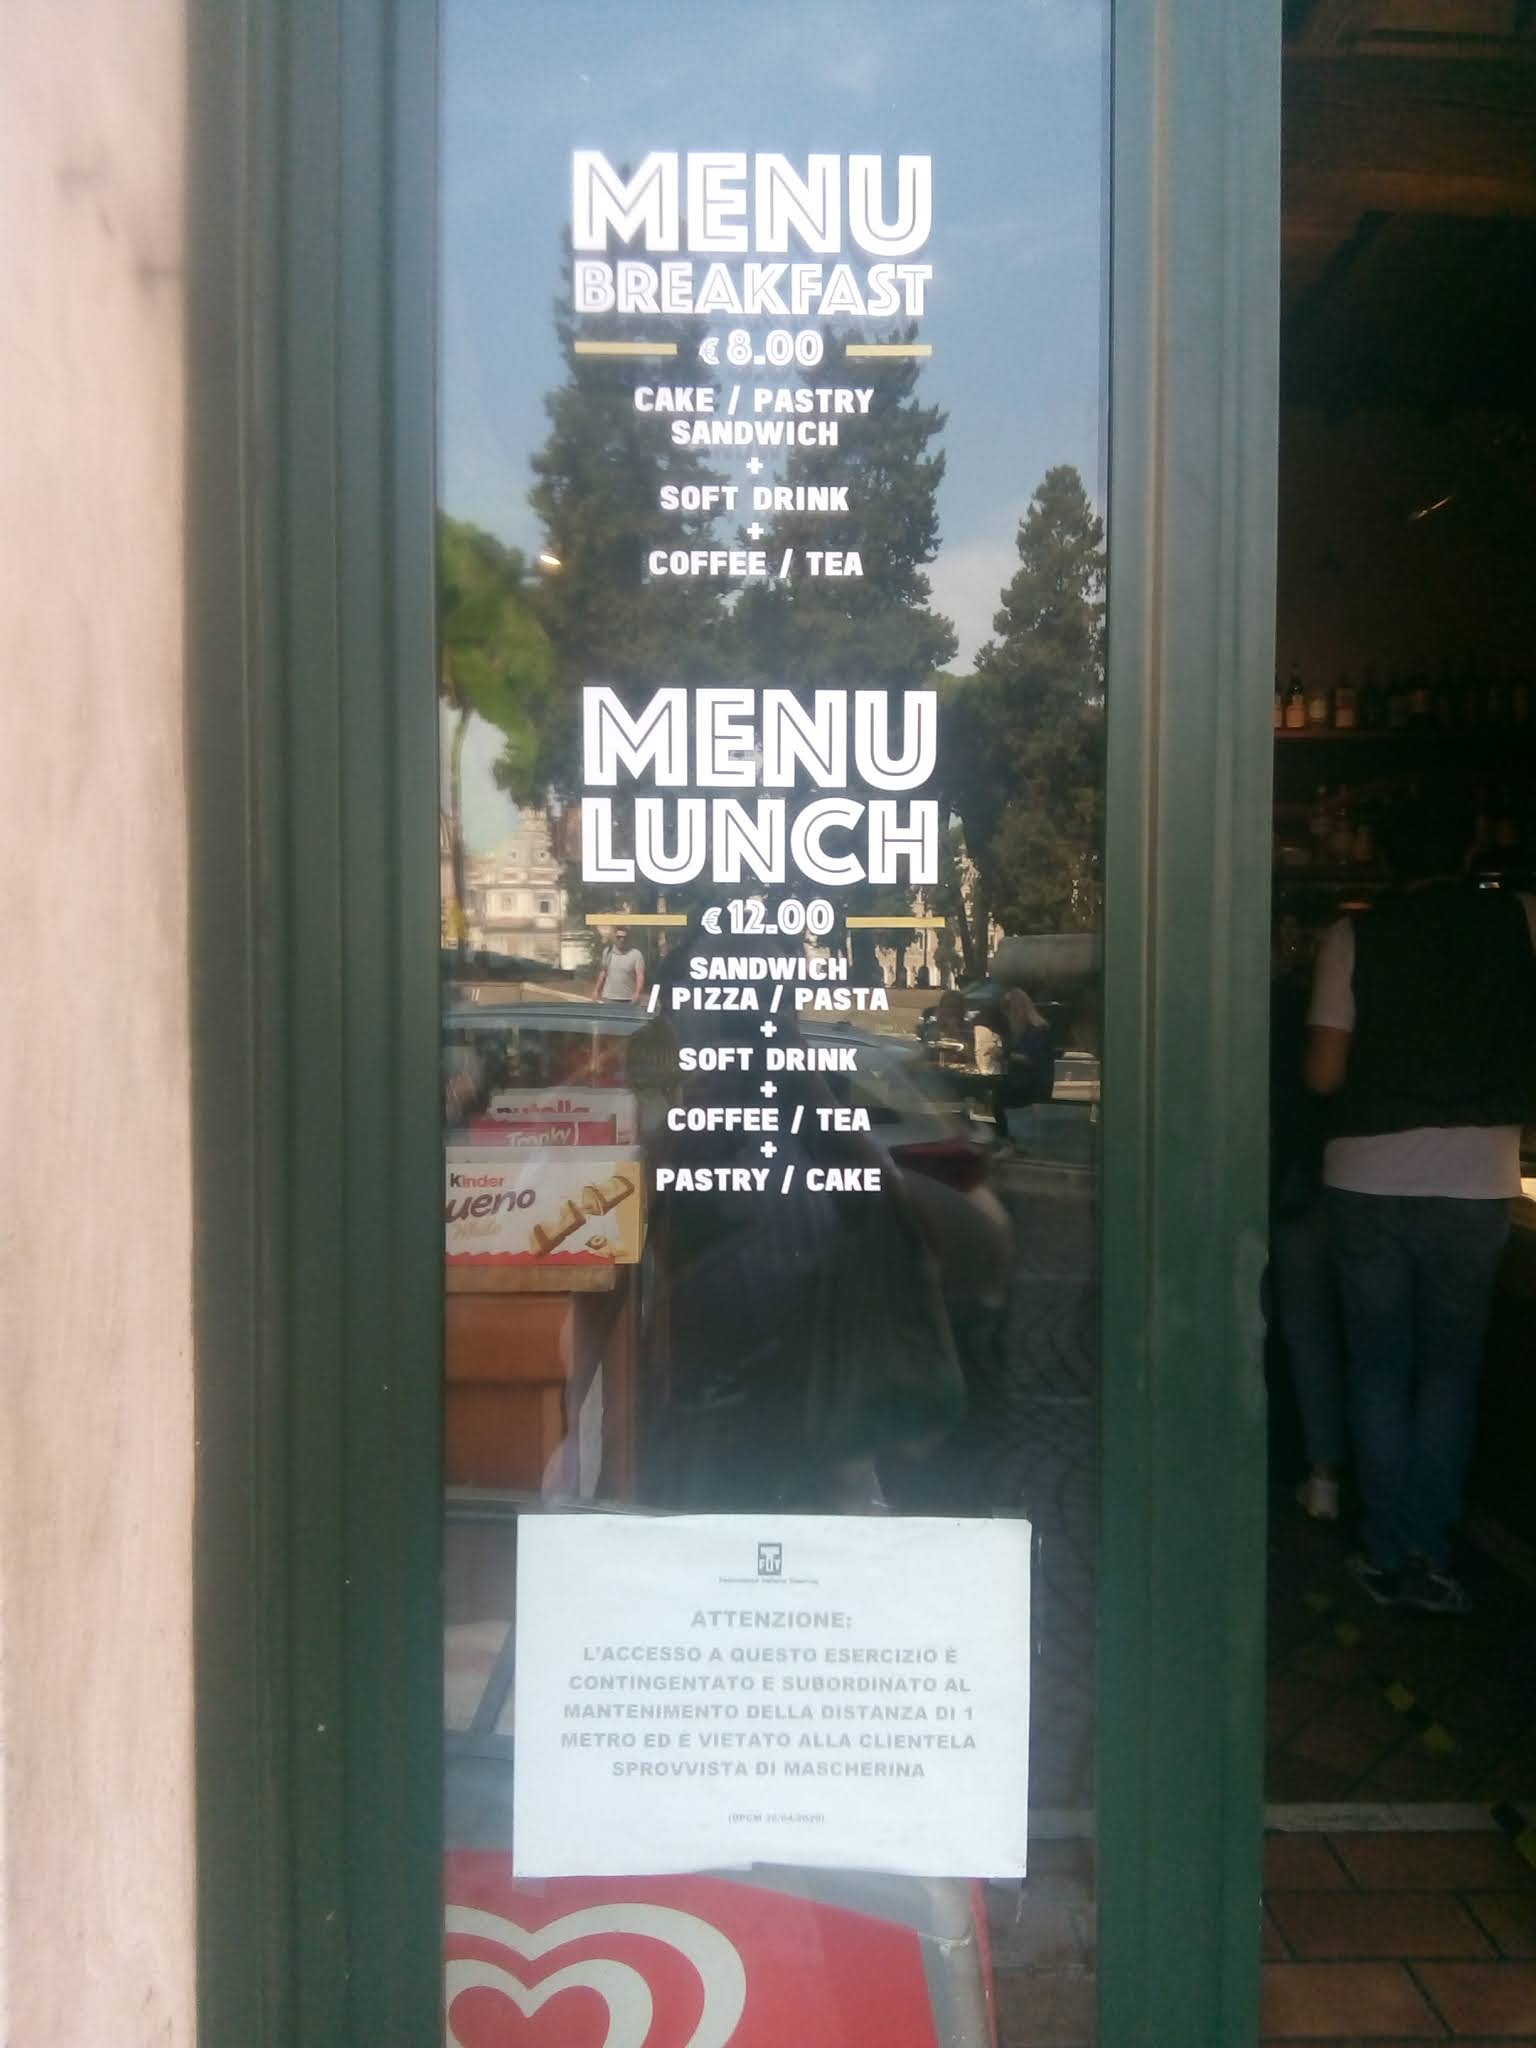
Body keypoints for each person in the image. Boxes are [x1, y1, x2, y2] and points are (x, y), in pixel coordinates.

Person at [1306, 802, 1536, 1612]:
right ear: (1471, 850)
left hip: (1368, 1176)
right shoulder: (1521, 919)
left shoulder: (1353, 937)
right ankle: (1427, 1553)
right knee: (1450, 1372)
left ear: (1383, 861)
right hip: (1478, 1176)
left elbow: (1325, 1075)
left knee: (1378, 1368)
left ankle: (1381, 1550)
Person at [592, 925, 645, 1004]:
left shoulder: (636, 954)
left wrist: (638, 993)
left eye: (624, 937)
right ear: (614, 938)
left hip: (629, 999)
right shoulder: (608, 952)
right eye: (619, 937)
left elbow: (640, 976)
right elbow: (603, 973)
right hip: (609, 997)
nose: (621, 940)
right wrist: (596, 990)